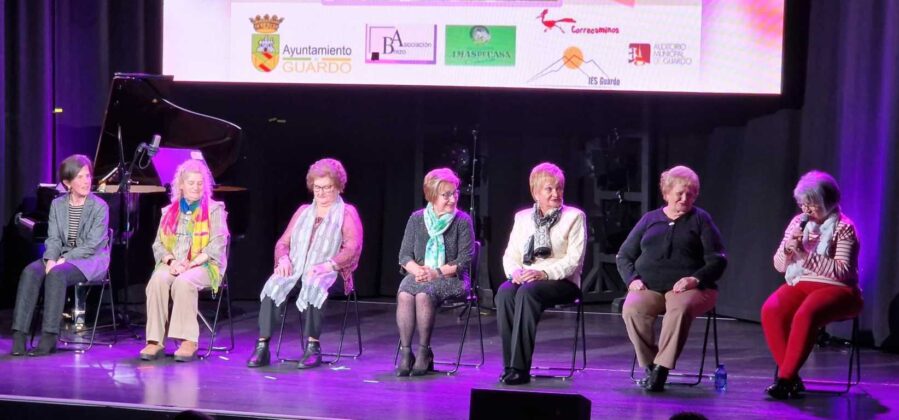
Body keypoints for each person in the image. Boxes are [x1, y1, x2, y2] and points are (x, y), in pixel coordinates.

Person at [617, 165, 727, 392]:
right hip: (650, 287)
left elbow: (718, 260)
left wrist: (694, 279)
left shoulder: (701, 220)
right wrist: (632, 280)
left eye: (691, 194)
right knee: (632, 309)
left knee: (678, 309)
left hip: (692, 289)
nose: (685, 198)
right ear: (667, 193)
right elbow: (624, 255)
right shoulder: (650, 219)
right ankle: (650, 366)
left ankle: (661, 370)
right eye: (680, 193)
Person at [247, 158, 363, 369]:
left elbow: (352, 248)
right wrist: (283, 259)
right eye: (317, 187)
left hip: (332, 272)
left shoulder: (346, 213)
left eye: (327, 187)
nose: (321, 193)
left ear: (338, 187)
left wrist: (329, 265)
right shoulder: (302, 212)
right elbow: (283, 242)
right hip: (297, 267)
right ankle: (262, 346)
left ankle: (313, 347)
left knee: (314, 282)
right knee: (274, 283)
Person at [761, 170, 862, 399]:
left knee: (806, 313)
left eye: (812, 205)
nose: (806, 210)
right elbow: (779, 266)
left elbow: (843, 272)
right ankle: (793, 378)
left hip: (839, 290)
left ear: (828, 202)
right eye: (802, 204)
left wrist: (805, 256)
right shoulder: (798, 222)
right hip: (802, 283)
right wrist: (788, 249)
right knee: (771, 310)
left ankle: (785, 379)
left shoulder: (844, 227)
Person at [496, 162, 587, 385]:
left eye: (559, 188)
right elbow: (511, 254)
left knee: (528, 293)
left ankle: (520, 368)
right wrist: (515, 272)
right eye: (549, 189)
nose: (556, 193)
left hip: (561, 281)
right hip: (527, 278)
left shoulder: (574, 217)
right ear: (536, 192)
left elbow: (573, 261)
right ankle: (509, 366)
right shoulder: (522, 217)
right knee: (505, 292)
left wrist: (543, 273)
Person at [10, 155, 110, 356]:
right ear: (67, 183)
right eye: (80, 177)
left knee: (56, 275)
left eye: (87, 176)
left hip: (90, 260)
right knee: (30, 272)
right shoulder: (58, 205)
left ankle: (49, 338)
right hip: (61, 257)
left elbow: (93, 244)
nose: (86, 181)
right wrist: (51, 258)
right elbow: (53, 237)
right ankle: (19, 335)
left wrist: (65, 259)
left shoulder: (100, 207)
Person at [141, 159, 230, 362]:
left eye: (200, 183)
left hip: (206, 265)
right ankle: (155, 340)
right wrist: (172, 262)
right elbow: (158, 245)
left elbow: (217, 244)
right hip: (175, 263)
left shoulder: (215, 210)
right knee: (157, 280)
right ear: (181, 185)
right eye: (191, 183)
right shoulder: (168, 212)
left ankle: (188, 340)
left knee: (184, 282)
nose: (196, 187)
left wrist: (192, 263)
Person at [395, 168, 474, 376]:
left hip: (452, 278)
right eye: (446, 194)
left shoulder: (462, 221)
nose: (452, 198)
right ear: (432, 196)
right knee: (404, 294)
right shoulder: (416, 219)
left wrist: (435, 272)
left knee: (423, 295)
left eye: (454, 193)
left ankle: (424, 352)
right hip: (420, 274)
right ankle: (405, 354)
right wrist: (418, 270)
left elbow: (464, 260)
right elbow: (404, 256)